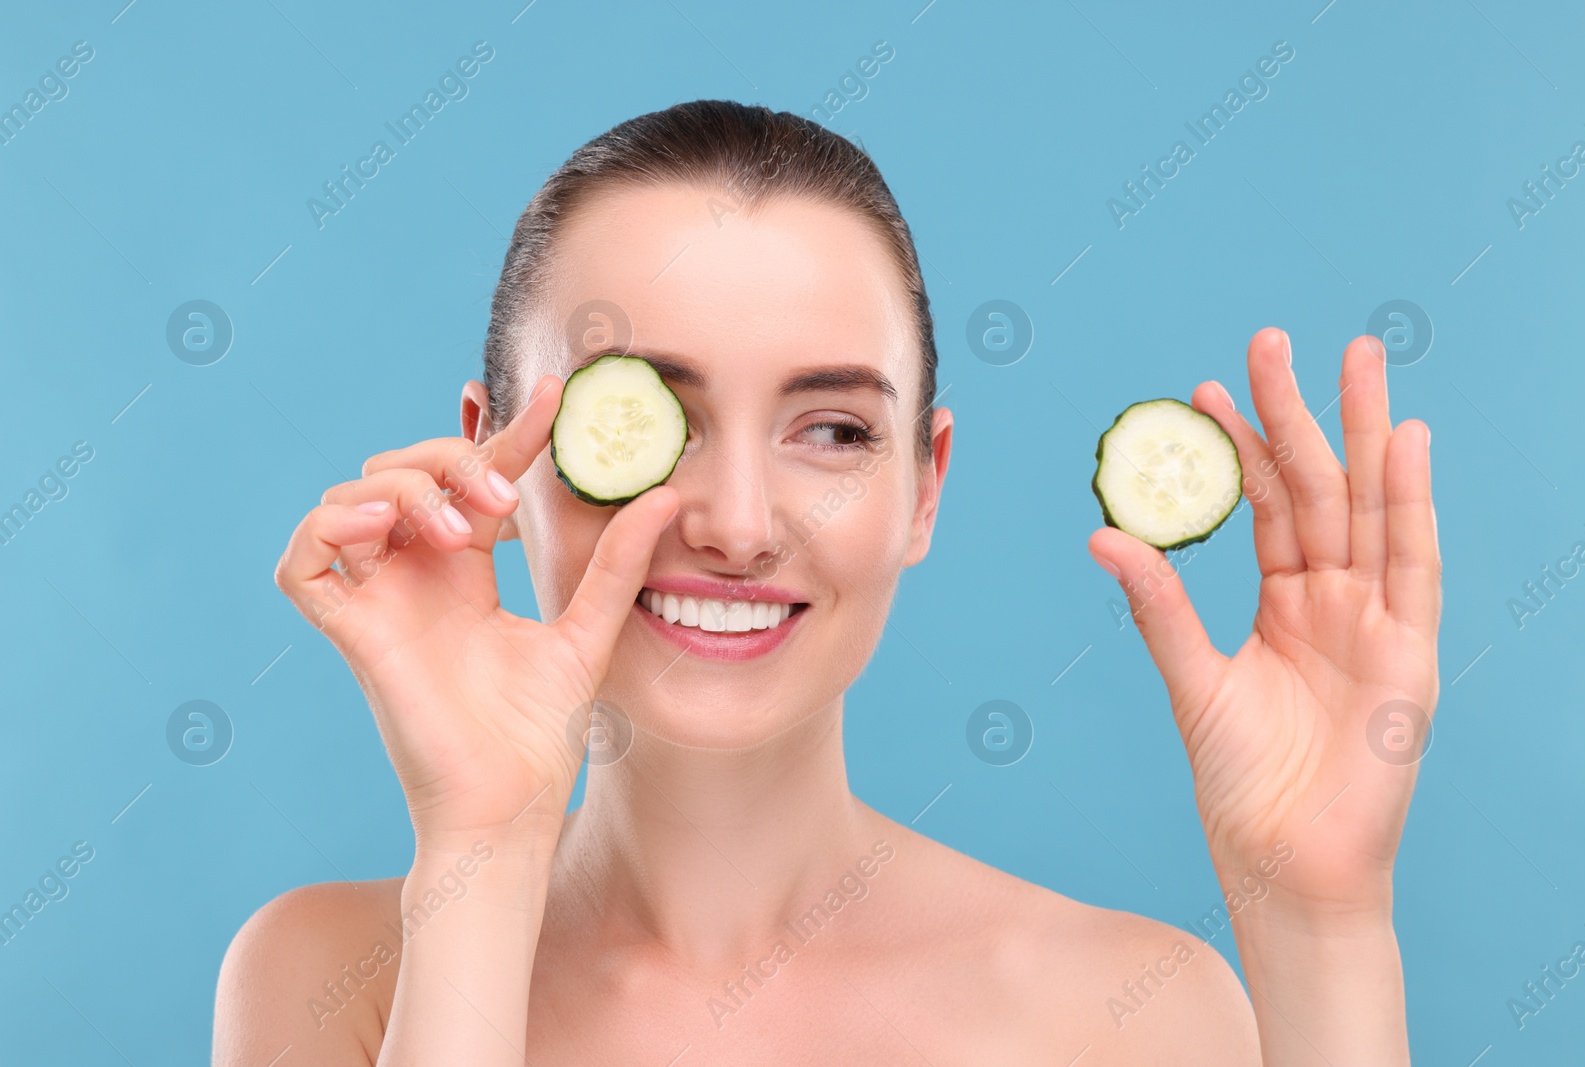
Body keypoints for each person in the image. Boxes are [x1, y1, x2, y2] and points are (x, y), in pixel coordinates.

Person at [214, 100, 1439, 1065]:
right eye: (644, 418)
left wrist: (1322, 924)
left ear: (925, 484)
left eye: (834, 430)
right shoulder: (326, 974)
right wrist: (479, 843)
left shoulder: (1132, 1013)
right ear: (494, 459)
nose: (739, 525)